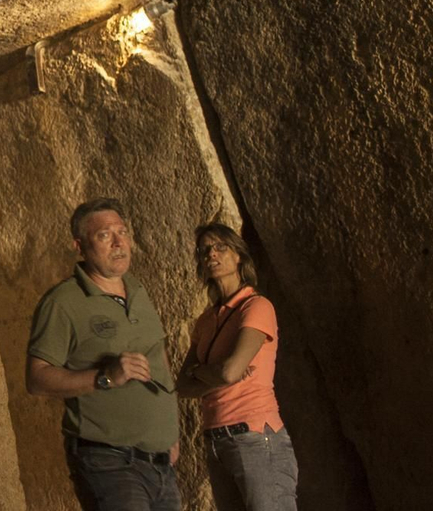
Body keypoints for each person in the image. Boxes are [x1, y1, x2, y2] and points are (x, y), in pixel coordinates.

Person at [27, 198, 181, 511]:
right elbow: (37, 378)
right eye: (104, 235)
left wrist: (171, 432)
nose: (118, 242)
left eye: (122, 232)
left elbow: (159, 360)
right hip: (109, 461)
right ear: (79, 246)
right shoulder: (63, 302)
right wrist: (106, 377)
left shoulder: (138, 290)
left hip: (161, 464)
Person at [176, 223, 298, 511]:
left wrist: (203, 371)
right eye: (205, 250)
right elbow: (182, 386)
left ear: (239, 256)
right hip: (216, 440)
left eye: (221, 247)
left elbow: (230, 372)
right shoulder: (206, 320)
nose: (212, 255)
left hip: (255, 436)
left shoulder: (256, 307)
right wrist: (210, 372)